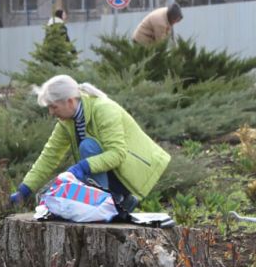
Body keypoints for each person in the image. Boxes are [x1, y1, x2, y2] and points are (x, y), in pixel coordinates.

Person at [9, 74, 171, 214]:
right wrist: (25, 190)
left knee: (88, 146)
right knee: (87, 149)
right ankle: (107, 201)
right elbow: (49, 157)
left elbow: (117, 154)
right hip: (114, 172)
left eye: (53, 107)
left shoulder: (103, 109)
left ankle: (114, 200)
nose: (51, 112)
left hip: (137, 169)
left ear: (70, 101)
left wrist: (81, 168)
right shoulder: (66, 123)